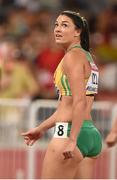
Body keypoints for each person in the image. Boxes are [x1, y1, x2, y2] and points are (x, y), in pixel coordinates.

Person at [21, 10, 102, 179]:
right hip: (90, 134)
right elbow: (69, 104)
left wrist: (72, 140)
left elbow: (79, 101)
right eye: (56, 25)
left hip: (69, 133)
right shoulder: (88, 57)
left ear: (78, 31)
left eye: (65, 25)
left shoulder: (72, 57)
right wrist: (40, 128)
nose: (57, 29)